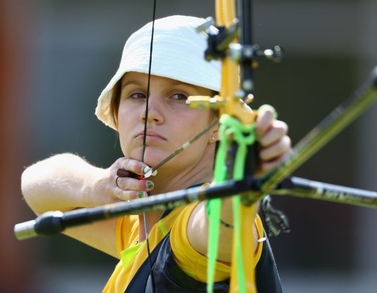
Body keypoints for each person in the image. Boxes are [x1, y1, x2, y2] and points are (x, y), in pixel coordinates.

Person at [21, 15, 291, 293]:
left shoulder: (190, 229)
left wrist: (240, 184)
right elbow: (36, 186)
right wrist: (99, 187)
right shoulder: (140, 226)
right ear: (116, 113)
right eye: (136, 95)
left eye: (179, 96)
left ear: (219, 122)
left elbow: (216, 230)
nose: (150, 113)